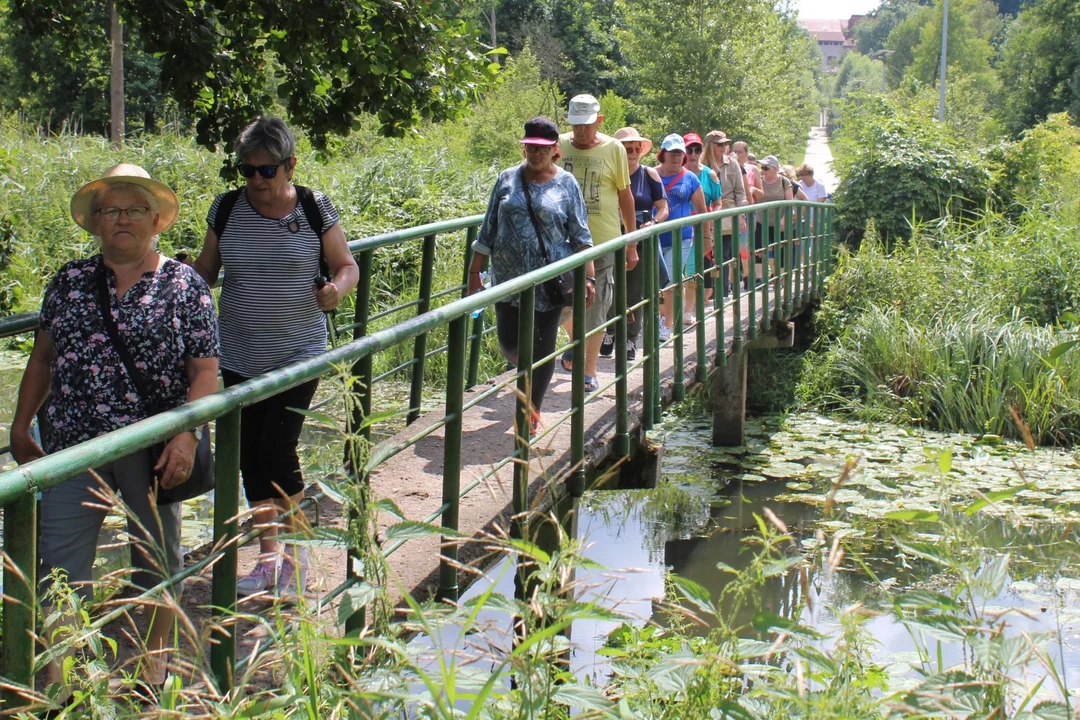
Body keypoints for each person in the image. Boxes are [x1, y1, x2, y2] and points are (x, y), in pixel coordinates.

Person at [10, 164, 220, 693]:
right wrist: (19, 425)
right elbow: (42, 360)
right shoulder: (69, 281)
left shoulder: (184, 285)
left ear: (156, 221)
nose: (121, 219)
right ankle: (59, 688)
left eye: (134, 210)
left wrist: (186, 434)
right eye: (110, 210)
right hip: (72, 447)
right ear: (96, 222)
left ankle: (154, 679)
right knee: (57, 571)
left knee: (156, 567)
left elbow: (206, 372)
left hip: (151, 448)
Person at [193, 116, 359, 600]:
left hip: (297, 352)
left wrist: (336, 291)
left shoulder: (313, 206)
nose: (257, 182)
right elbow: (206, 269)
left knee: (277, 452)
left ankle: (295, 561)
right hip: (240, 351)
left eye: (267, 171)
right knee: (248, 458)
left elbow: (345, 265)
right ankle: (269, 559)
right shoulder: (226, 209)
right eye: (247, 171)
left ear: (290, 166)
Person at [469, 117, 595, 434]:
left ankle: (530, 412)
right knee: (510, 344)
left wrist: (589, 278)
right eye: (530, 147)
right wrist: (475, 271)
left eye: (542, 148)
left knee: (542, 349)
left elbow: (581, 235)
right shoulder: (507, 179)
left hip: (549, 283)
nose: (535, 154)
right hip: (508, 280)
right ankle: (526, 378)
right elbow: (488, 228)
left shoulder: (567, 184)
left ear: (554, 150)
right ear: (524, 147)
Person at [556, 94, 637, 393]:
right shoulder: (558, 145)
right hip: (561, 242)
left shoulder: (613, 148)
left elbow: (625, 194)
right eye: (576, 125)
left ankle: (588, 371)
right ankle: (576, 343)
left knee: (597, 304)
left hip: (601, 241)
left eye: (587, 125)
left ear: (599, 121)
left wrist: (631, 241)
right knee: (560, 303)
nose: (581, 131)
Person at [600, 127, 669, 356]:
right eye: (626, 148)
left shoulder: (649, 174)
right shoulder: (608, 173)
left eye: (635, 148)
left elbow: (663, 208)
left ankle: (630, 339)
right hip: (612, 233)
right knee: (611, 286)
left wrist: (654, 223)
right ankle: (609, 331)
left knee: (635, 290)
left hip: (640, 234)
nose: (632, 152)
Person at [655, 134, 709, 335]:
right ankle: (660, 317)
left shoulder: (690, 178)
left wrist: (706, 239)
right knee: (655, 280)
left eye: (679, 153)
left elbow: (702, 212)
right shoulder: (652, 175)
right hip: (655, 238)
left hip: (682, 238)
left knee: (670, 279)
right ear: (663, 154)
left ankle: (666, 324)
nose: (676, 157)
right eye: (672, 153)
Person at [703, 130, 747, 297]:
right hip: (706, 213)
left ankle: (721, 292)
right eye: (719, 144)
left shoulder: (732, 164)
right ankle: (707, 292)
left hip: (728, 213)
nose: (723, 147)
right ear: (710, 146)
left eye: (725, 144)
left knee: (724, 253)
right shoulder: (702, 165)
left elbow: (740, 192)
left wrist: (742, 214)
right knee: (706, 254)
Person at [684, 132, 720, 305]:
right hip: (679, 227)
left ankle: (689, 309)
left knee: (692, 268)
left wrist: (710, 222)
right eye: (689, 150)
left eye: (697, 150)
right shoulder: (676, 173)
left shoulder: (710, 175)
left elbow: (718, 202)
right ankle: (673, 311)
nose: (693, 154)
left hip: (701, 227)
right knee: (676, 270)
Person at [754, 155, 794, 278]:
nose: (763, 170)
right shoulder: (759, 180)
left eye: (766, 168)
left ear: (775, 169)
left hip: (779, 223)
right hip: (761, 222)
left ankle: (781, 277)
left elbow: (790, 203)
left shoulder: (784, 181)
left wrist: (784, 220)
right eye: (762, 167)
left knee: (781, 250)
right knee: (759, 250)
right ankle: (759, 279)